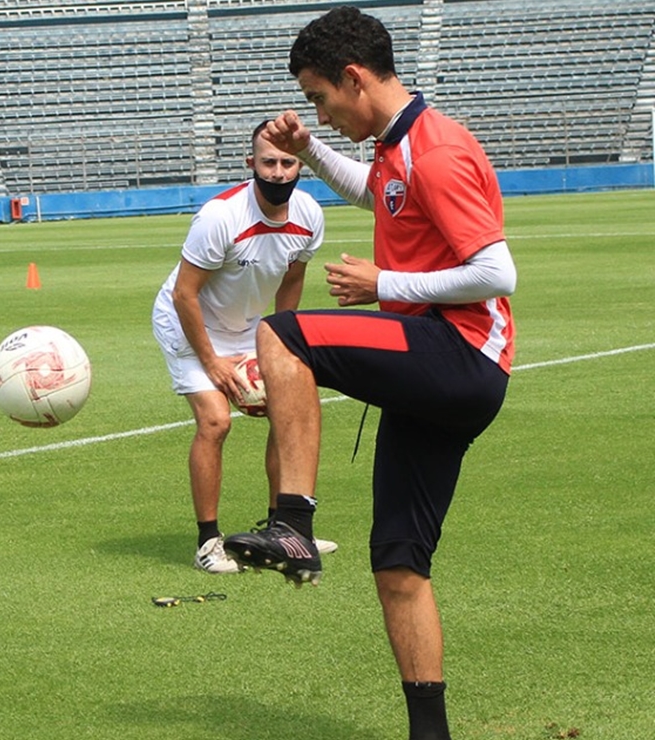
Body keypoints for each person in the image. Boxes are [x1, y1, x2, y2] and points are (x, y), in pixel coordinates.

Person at [221, 7, 517, 740]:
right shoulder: (397, 145)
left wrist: (387, 285)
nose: (319, 109)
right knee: (397, 563)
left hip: (459, 355)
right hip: (443, 374)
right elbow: (374, 192)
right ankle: (430, 733)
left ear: (354, 78)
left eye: (320, 97)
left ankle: (291, 522)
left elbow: (495, 271)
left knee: (281, 335)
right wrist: (313, 150)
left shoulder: (435, 150)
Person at [152, 121, 336, 574]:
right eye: (268, 162)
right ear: (250, 163)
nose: (277, 172)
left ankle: (284, 528)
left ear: (301, 166)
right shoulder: (221, 218)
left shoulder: (309, 215)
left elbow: (293, 279)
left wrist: (280, 340)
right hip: (189, 322)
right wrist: (212, 363)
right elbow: (184, 295)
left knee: (287, 410)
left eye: (287, 162)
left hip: (250, 325)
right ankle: (207, 541)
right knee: (215, 423)